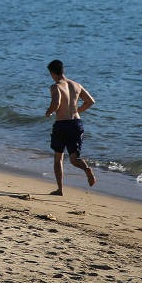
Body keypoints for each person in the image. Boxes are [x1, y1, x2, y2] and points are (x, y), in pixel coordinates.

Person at [44, 59, 96, 195]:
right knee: (74, 158)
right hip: (76, 124)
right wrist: (78, 110)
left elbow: (56, 103)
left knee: (58, 158)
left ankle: (60, 190)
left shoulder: (56, 86)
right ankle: (86, 169)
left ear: (52, 73)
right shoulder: (76, 85)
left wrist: (49, 111)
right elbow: (90, 101)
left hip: (62, 124)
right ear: (63, 70)